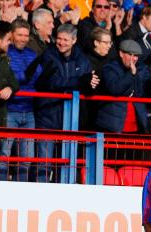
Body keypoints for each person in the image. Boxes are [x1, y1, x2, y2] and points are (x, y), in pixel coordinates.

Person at [34, 23, 98, 182]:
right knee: (44, 162)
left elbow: (88, 81)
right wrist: (81, 81)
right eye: (59, 39)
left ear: (74, 40)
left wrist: (92, 84)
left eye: (66, 40)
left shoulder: (83, 60)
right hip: (48, 116)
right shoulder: (48, 56)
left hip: (71, 120)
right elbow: (52, 82)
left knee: (66, 165)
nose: (61, 42)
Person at [0, 19, 42, 182]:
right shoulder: (5, 52)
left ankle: (18, 191)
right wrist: (24, 76)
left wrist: (24, 77)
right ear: (12, 35)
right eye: (19, 35)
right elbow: (7, 77)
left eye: (26, 35)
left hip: (29, 110)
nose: (23, 38)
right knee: (4, 154)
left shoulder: (32, 55)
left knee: (27, 157)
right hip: (10, 110)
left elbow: (38, 77)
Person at [95, 39, 150, 133]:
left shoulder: (142, 68)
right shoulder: (110, 68)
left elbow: (140, 92)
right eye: (131, 54)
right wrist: (131, 75)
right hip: (113, 124)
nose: (134, 59)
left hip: (136, 124)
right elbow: (115, 89)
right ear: (121, 54)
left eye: (136, 55)